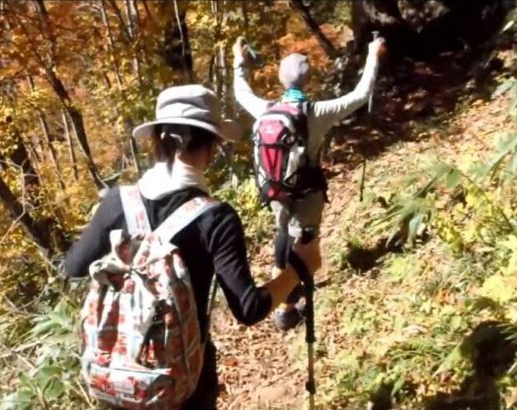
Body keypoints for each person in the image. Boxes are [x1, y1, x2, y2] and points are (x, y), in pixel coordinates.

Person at [64, 84, 321, 410]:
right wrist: (299, 267)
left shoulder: (117, 202)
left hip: (118, 379)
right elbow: (249, 308)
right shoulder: (216, 218)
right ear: (209, 147)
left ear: (157, 141)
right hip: (182, 385)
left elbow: (73, 269)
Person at [232, 36, 386, 331]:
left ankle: (284, 296)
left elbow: (241, 92)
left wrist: (238, 60)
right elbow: (361, 94)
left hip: (274, 188)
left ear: (280, 79)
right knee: (306, 241)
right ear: (308, 79)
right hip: (307, 191)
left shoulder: (265, 110)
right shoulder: (316, 112)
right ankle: (289, 308)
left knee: (283, 233)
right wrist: (372, 55)